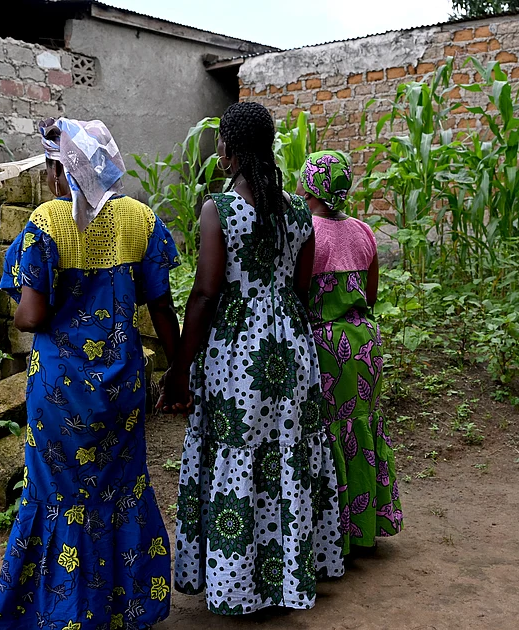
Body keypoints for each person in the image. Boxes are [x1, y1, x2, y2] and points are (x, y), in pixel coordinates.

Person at [0, 117, 181, 630]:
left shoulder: (47, 225)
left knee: (59, 497)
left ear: (61, 170)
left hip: (60, 394)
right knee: (119, 491)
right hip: (121, 386)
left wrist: (27, 308)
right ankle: (124, 607)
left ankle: (64, 612)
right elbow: (162, 307)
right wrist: (180, 369)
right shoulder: (140, 219)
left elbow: (30, 316)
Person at [160, 102, 343, 615]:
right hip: (291, 349)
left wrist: (178, 370)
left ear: (230, 150)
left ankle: (237, 587)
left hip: (237, 354)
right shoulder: (298, 210)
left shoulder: (220, 208)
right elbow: (301, 287)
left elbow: (204, 294)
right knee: (286, 456)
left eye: (220, 142)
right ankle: (285, 581)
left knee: (238, 458)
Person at [300, 150, 403, 555]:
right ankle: (366, 525)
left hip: (326, 347)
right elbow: (371, 295)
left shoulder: (306, 233)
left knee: (328, 434)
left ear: (309, 185)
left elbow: (298, 293)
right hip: (363, 345)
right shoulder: (363, 232)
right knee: (361, 429)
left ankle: (334, 536)